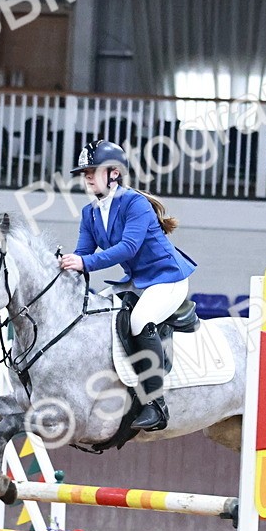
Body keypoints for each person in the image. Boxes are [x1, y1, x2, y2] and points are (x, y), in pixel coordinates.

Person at [58, 140, 196, 432]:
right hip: (136, 282)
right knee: (97, 314)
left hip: (167, 278)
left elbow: (128, 248)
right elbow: (83, 253)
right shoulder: (90, 213)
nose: (87, 177)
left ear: (114, 174)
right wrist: (62, 266)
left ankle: (156, 404)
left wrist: (84, 264)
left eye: (93, 171)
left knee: (140, 320)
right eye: (85, 172)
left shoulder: (135, 203)